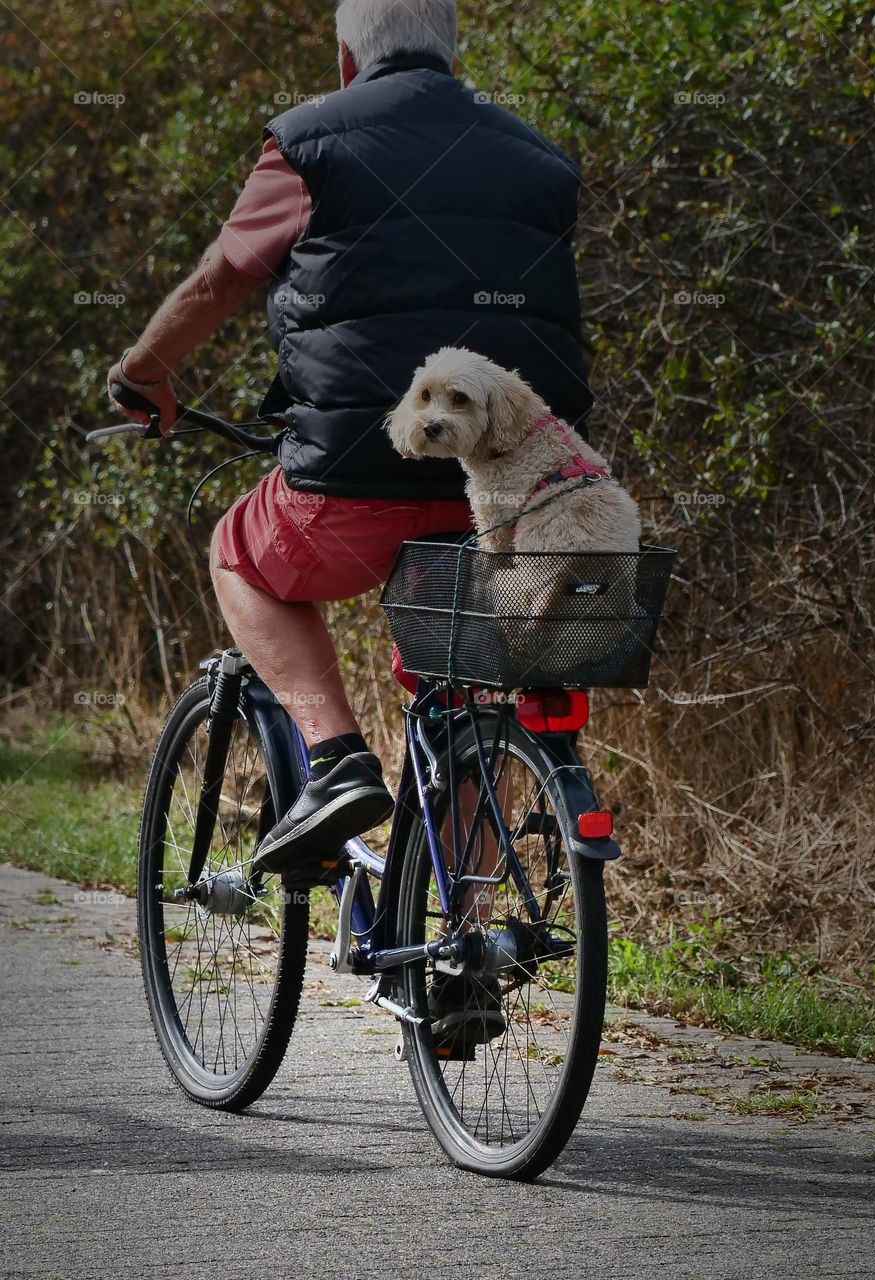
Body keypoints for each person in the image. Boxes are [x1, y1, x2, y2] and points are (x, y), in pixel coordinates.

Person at [107, 0, 592, 882]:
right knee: (456, 690)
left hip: (359, 473)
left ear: (346, 58)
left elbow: (221, 279)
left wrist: (146, 372)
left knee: (239, 554)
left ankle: (335, 760)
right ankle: (467, 947)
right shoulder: (539, 157)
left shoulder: (309, 142)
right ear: (451, 54)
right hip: (519, 488)